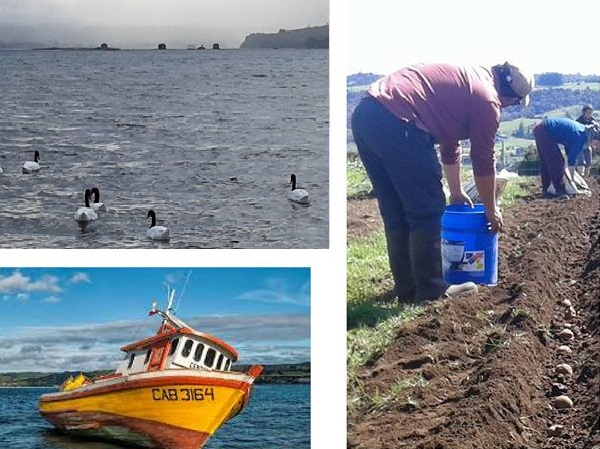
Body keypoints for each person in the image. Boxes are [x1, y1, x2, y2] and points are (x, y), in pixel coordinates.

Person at [351, 62, 534, 303]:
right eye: (515, 103)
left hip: (367, 114)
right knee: (427, 209)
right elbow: (483, 159)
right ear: (510, 96)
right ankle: (431, 289)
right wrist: (491, 209)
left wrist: (457, 191)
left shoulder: (470, 80)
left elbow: (450, 143)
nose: (510, 107)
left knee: (395, 209)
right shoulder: (488, 100)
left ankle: (407, 289)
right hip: (400, 121)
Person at [533, 117, 600, 197]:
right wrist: (571, 181)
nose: (595, 147)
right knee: (557, 162)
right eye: (597, 144)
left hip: (541, 128)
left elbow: (568, 150)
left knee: (546, 162)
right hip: (545, 130)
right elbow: (571, 162)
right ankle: (559, 191)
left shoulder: (583, 131)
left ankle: (546, 190)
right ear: (594, 137)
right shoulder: (580, 137)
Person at [575, 105, 596, 176]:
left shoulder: (593, 122)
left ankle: (586, 178)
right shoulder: (578, 122)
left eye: (591, 113)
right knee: (580, 161)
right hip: (579, 145)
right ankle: (580, 176)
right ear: (584, 113)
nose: (589, 114)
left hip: (588, 145)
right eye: (588, 112)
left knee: (589, 162)